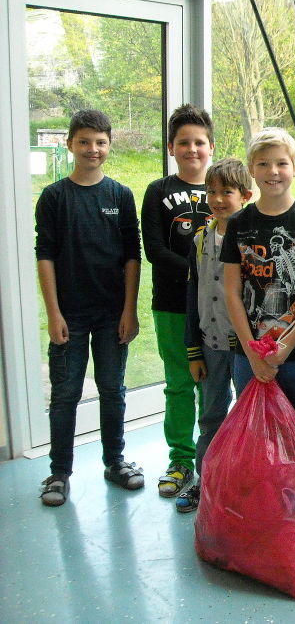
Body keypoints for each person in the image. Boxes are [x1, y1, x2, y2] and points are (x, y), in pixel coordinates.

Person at [35, 109, 143, 506]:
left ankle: (114, 461)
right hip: (71, 316)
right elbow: (44, 256)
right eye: (84, 141)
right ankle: (58, 472)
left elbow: (133, 257)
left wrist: (129, 311)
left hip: (112, 312)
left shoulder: (120, 195)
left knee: (113, 389)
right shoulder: (54, 197)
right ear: (70, 145)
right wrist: (54, 313)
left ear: (109, 146)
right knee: (65, 393)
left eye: (100, 142)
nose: (92, 149)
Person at [221, 128, 295, 451]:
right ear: (252, 169)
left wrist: (286, 346)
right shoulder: (238, 224)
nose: (273, 172)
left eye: (281, 163)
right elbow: (231, 292)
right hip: (248, 354)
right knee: (255, 436)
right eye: (264, 164)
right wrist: (253, 350)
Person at [142, 104, 214, 499]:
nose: (192, 149)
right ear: (172, 147)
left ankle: (211, 459)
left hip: (218, 310)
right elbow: (154, 249)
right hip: (172, 304)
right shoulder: (158, 191)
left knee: (214, 384)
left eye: (199, 142)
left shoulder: (222, 187)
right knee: (179, 383)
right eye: (183, 142)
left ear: (211, 146)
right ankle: (181, 460)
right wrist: (200, 275)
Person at [175, 158, 253, 513]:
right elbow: (192, 298)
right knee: (211, 416)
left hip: (246, 347)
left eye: (227, 192)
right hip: (211, 344)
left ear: (246, 196)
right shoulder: (201, 239)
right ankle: (204, 482)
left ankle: (243, 482)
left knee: (249, 418)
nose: (218, 199)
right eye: (212, 191)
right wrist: (193, 350)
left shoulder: (252, 237)